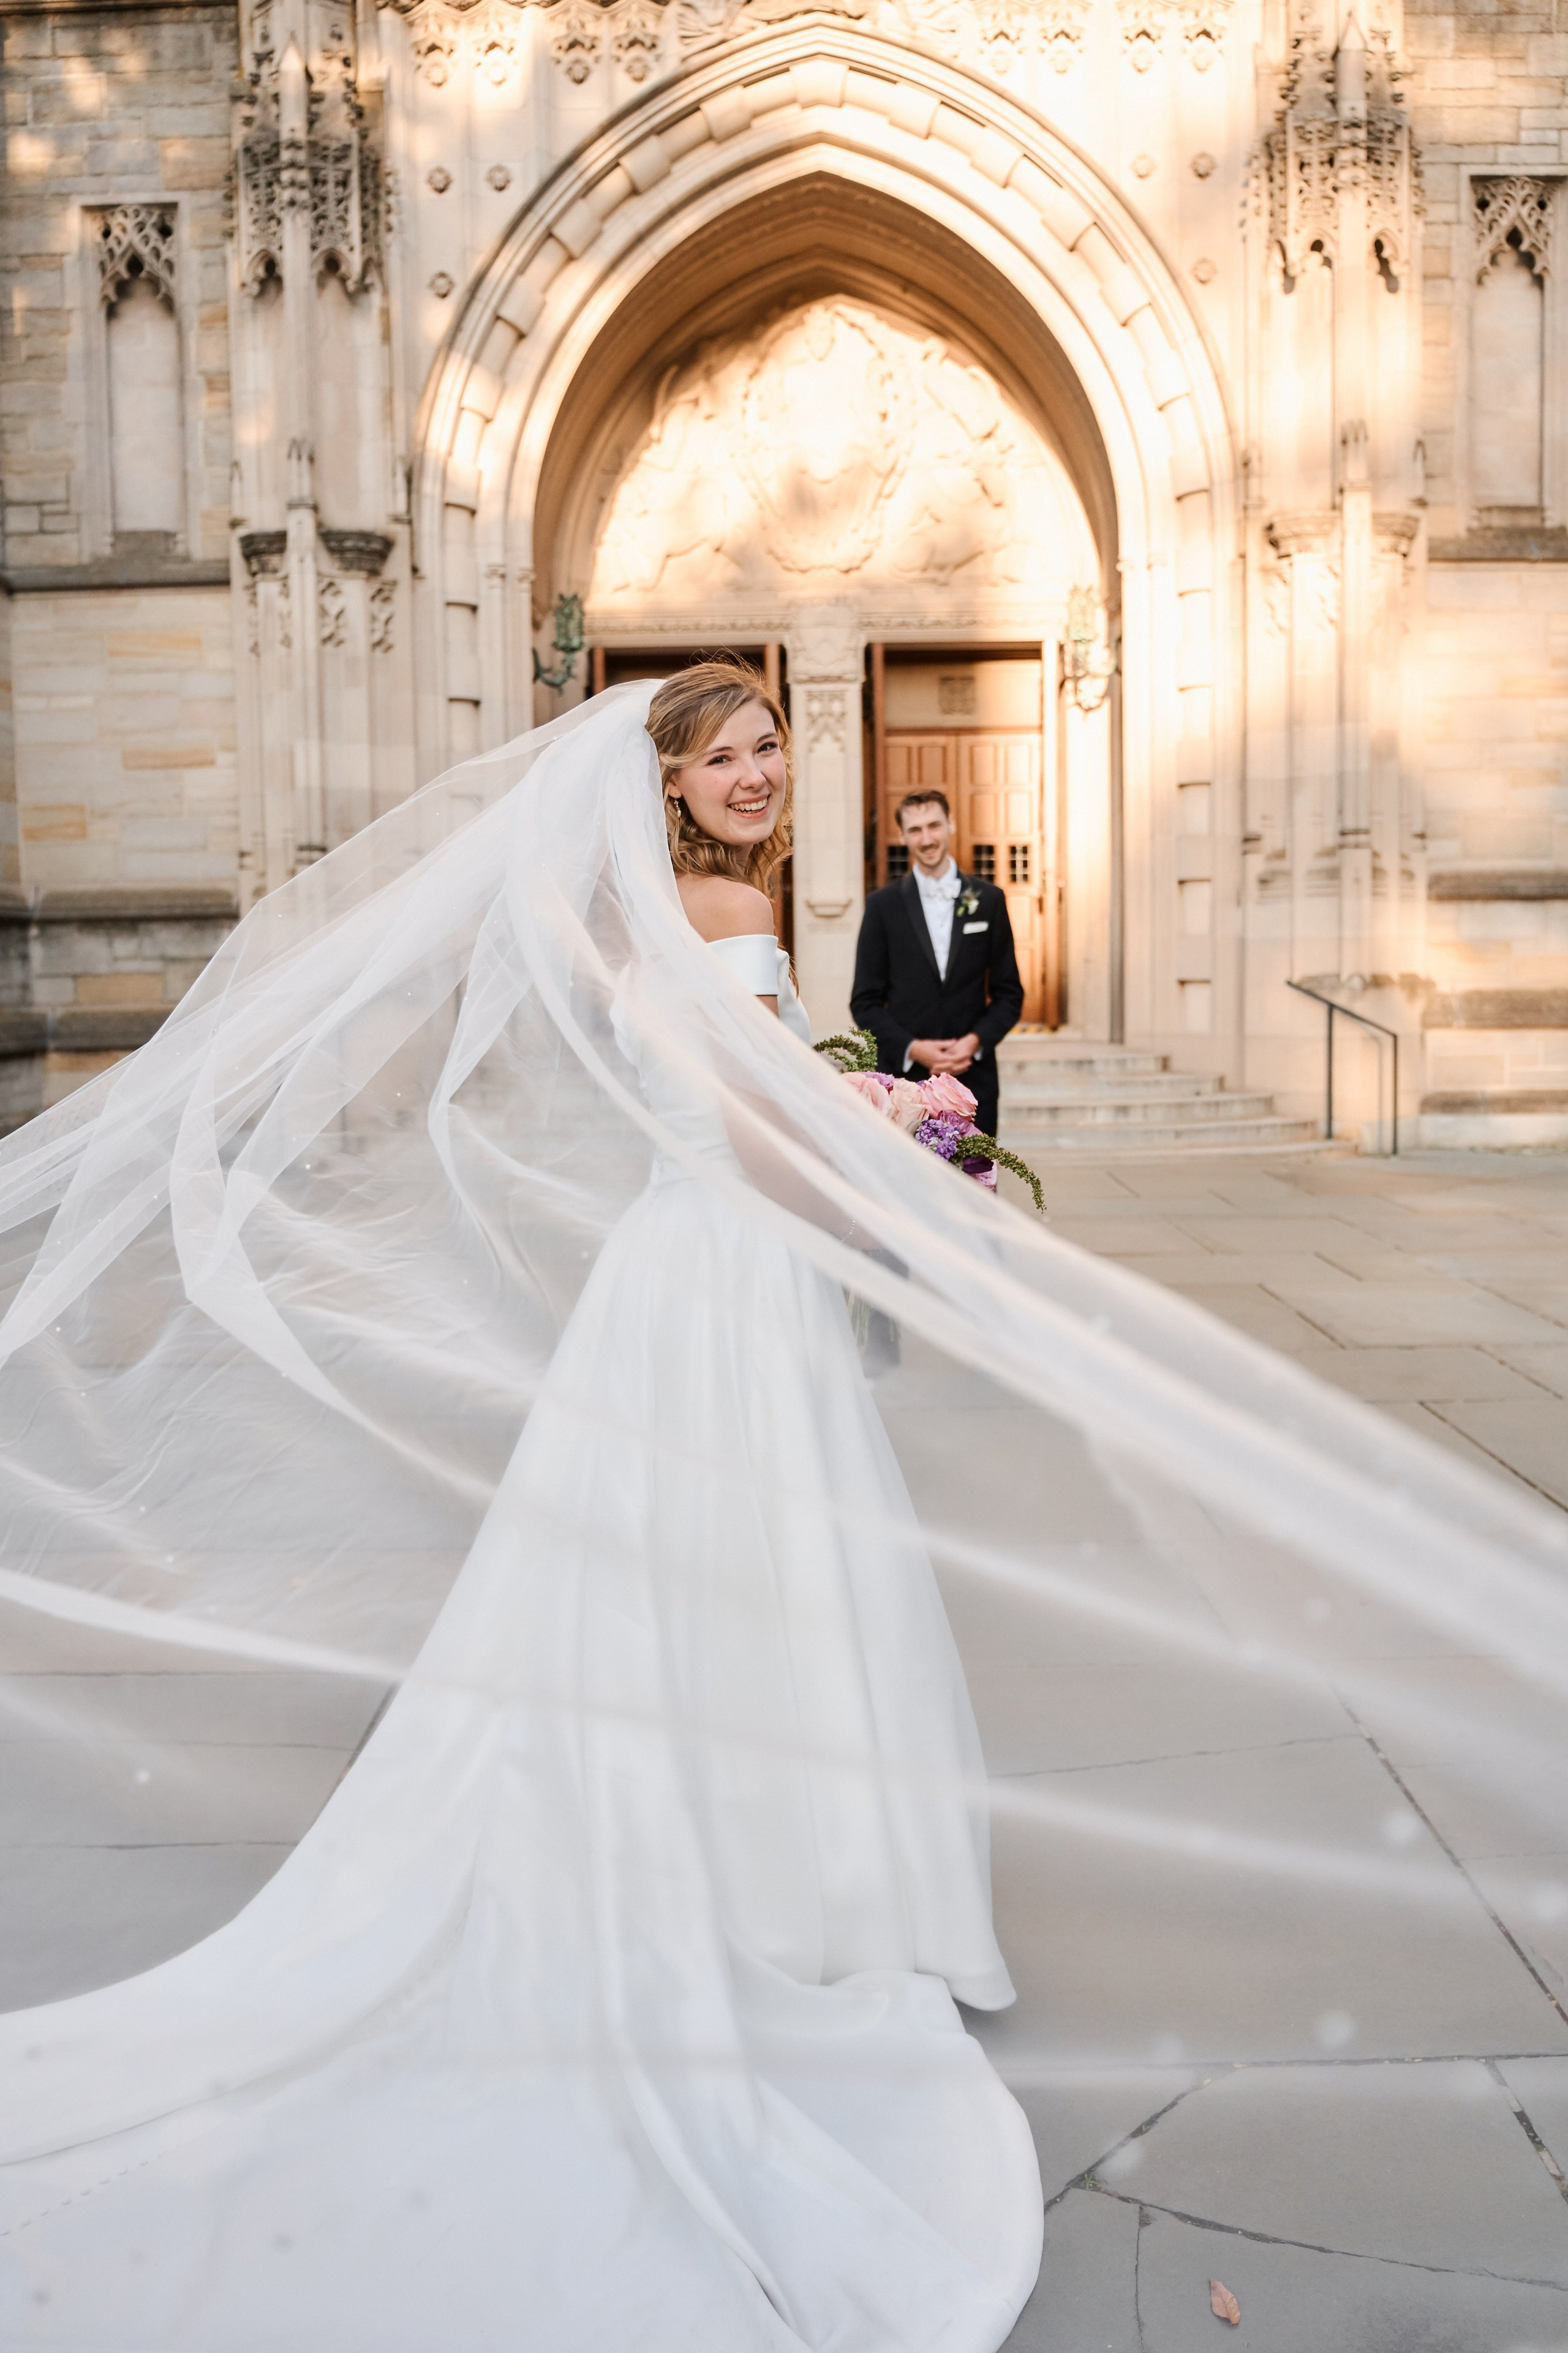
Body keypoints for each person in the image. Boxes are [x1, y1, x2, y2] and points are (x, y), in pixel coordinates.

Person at [0, 663, 1044, 2352]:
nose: (763, 773)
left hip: (709, 1274)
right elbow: (721, 1120)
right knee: (743, 1571)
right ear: (673, 783)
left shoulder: (686, 908)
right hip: (718, 1271)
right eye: (728, 755)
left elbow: (743, 1096)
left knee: (727, 1575)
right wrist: (878, 1175)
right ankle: (779, 1892)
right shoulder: (692, 913)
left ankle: (769, 1871)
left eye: (773, 745)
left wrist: (862, 1120)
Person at [850, 790, 1025, 1141]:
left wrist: (974, 1043)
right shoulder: (882, 907)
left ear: (951, 825)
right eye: (915, 830)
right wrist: (914, 1048)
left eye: (934, 826)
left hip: (974, 1080)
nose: (927, 839)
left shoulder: (989, 900)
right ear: (901, 836)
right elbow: (865, 1002)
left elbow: (1009, 994)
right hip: (905, 1087)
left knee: (975, 1190)